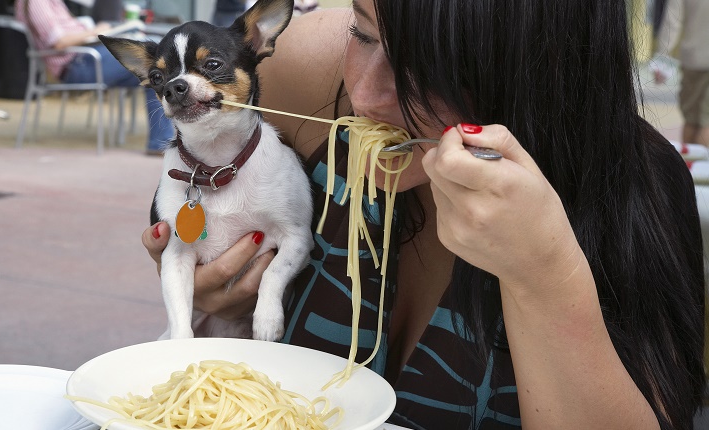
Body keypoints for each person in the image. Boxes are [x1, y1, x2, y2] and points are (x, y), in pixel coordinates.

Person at [143, 0, 706, 428]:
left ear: (548, 68)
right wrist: (208, 269)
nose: (365, 97)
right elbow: (190, 178)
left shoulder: (636, 186)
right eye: (363, 34)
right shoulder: (308, 76)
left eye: (432, 66)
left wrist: (545, 276)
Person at [15, 0, 174, 154]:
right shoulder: (37, 2)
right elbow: (59, 41)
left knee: (155, 74)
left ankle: (161, 143)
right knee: (154, 63)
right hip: (77, 65)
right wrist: (96, 31)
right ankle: (162, 145)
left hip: (85, 58)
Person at [652, 0, 709, 148]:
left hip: (693, 58)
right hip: (695, 59)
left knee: (691, 120)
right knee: (706, 122)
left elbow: (672, 21)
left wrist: (663, 58)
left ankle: (689, 168)